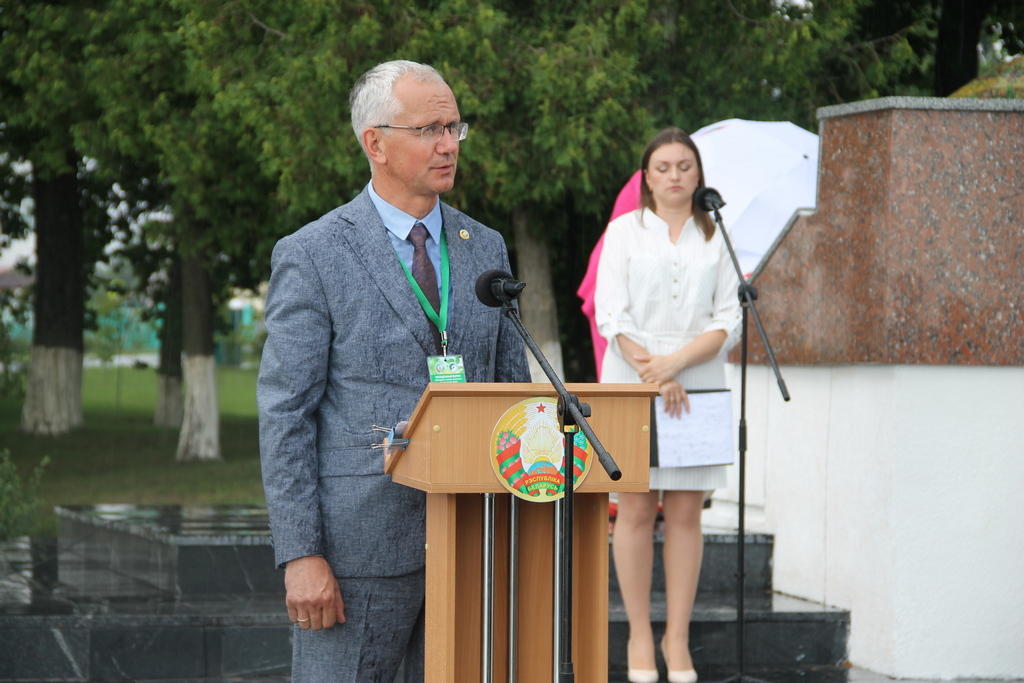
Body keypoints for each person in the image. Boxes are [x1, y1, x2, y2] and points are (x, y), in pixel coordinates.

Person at [257, 60, 530, 682]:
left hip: (470, 538)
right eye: (430, 128)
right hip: (357, 551)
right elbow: (285, 412)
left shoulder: (483, 246)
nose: (448, 144)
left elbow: (510, 386)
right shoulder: (314, 253)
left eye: (455, 127)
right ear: (374, 142)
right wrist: (301, 554)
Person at [594, 127, 742, 683]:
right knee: (634, 508)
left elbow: (729, 318)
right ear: (646, 176)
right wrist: (651, 373)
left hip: (697, 383)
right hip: (632, 382)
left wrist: (673, 367)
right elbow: (612, 315)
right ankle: (637, 633)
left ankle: (676, 639)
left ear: (698, 174)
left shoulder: (717, 236)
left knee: (684, 512)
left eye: (684, 166)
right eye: (663, 167)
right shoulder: (623, 233)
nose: (675, 176)